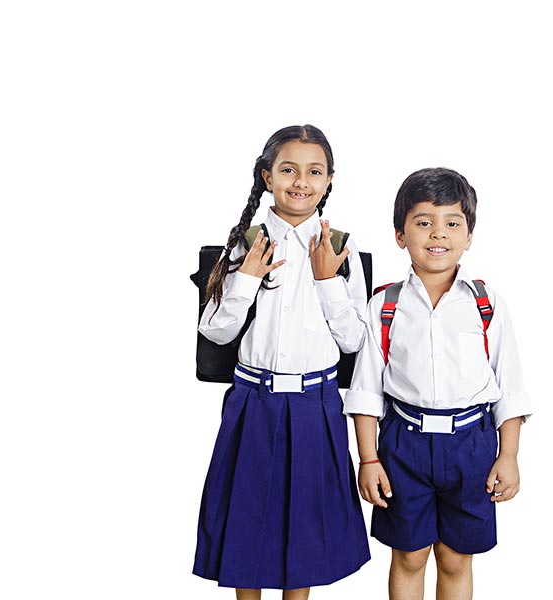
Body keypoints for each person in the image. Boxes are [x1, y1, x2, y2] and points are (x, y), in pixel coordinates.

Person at [193, 125, 370, 599]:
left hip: (315, 404)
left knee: (306, 525)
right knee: (246, 517)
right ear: (267, 176)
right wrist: (245, 278)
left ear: (330, 179)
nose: (301, 181)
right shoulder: (244, 243)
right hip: (254, 401)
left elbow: (355, 341)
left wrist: (328, 280)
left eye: (315, 171)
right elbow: (216, 331)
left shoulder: (342, 252)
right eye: (288, 169)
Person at [344, 167, 532, 600]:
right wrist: (368, 460)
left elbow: (511, 388)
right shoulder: (384, 306)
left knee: (453, 556)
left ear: (469, 236)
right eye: (423, 222)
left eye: (452, 223)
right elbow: (366, 393)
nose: (438, 234)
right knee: (409, 556)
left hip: (472, 446)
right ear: (400, 234)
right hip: (403, 446)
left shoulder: (486, 304)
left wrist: (510, 455)